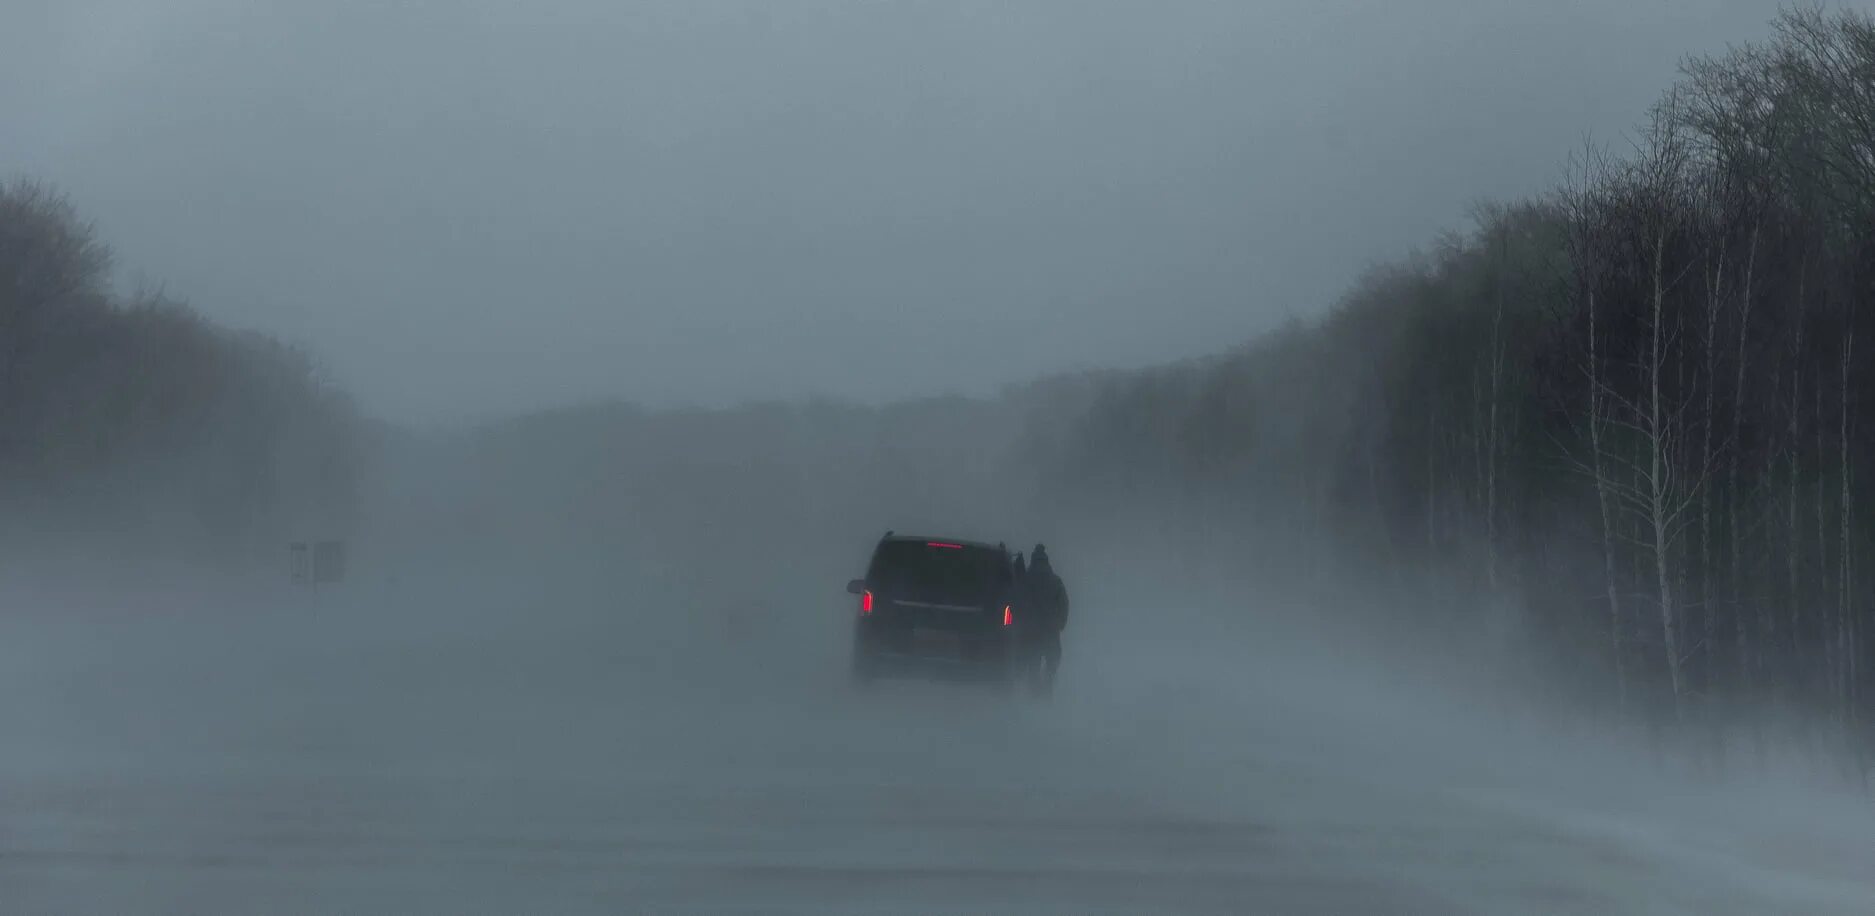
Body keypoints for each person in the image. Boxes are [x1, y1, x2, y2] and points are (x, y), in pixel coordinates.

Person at [1021, 543, 1068, 694]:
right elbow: (1064, 603)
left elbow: (1017, 600)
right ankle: (1047, 687)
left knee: (1033, 661)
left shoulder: (1025, 580)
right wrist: (1061, 622)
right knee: (1052, 659)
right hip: (1050, 629)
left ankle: (1033, 691)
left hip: (1031, 630)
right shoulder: (1055, 581)